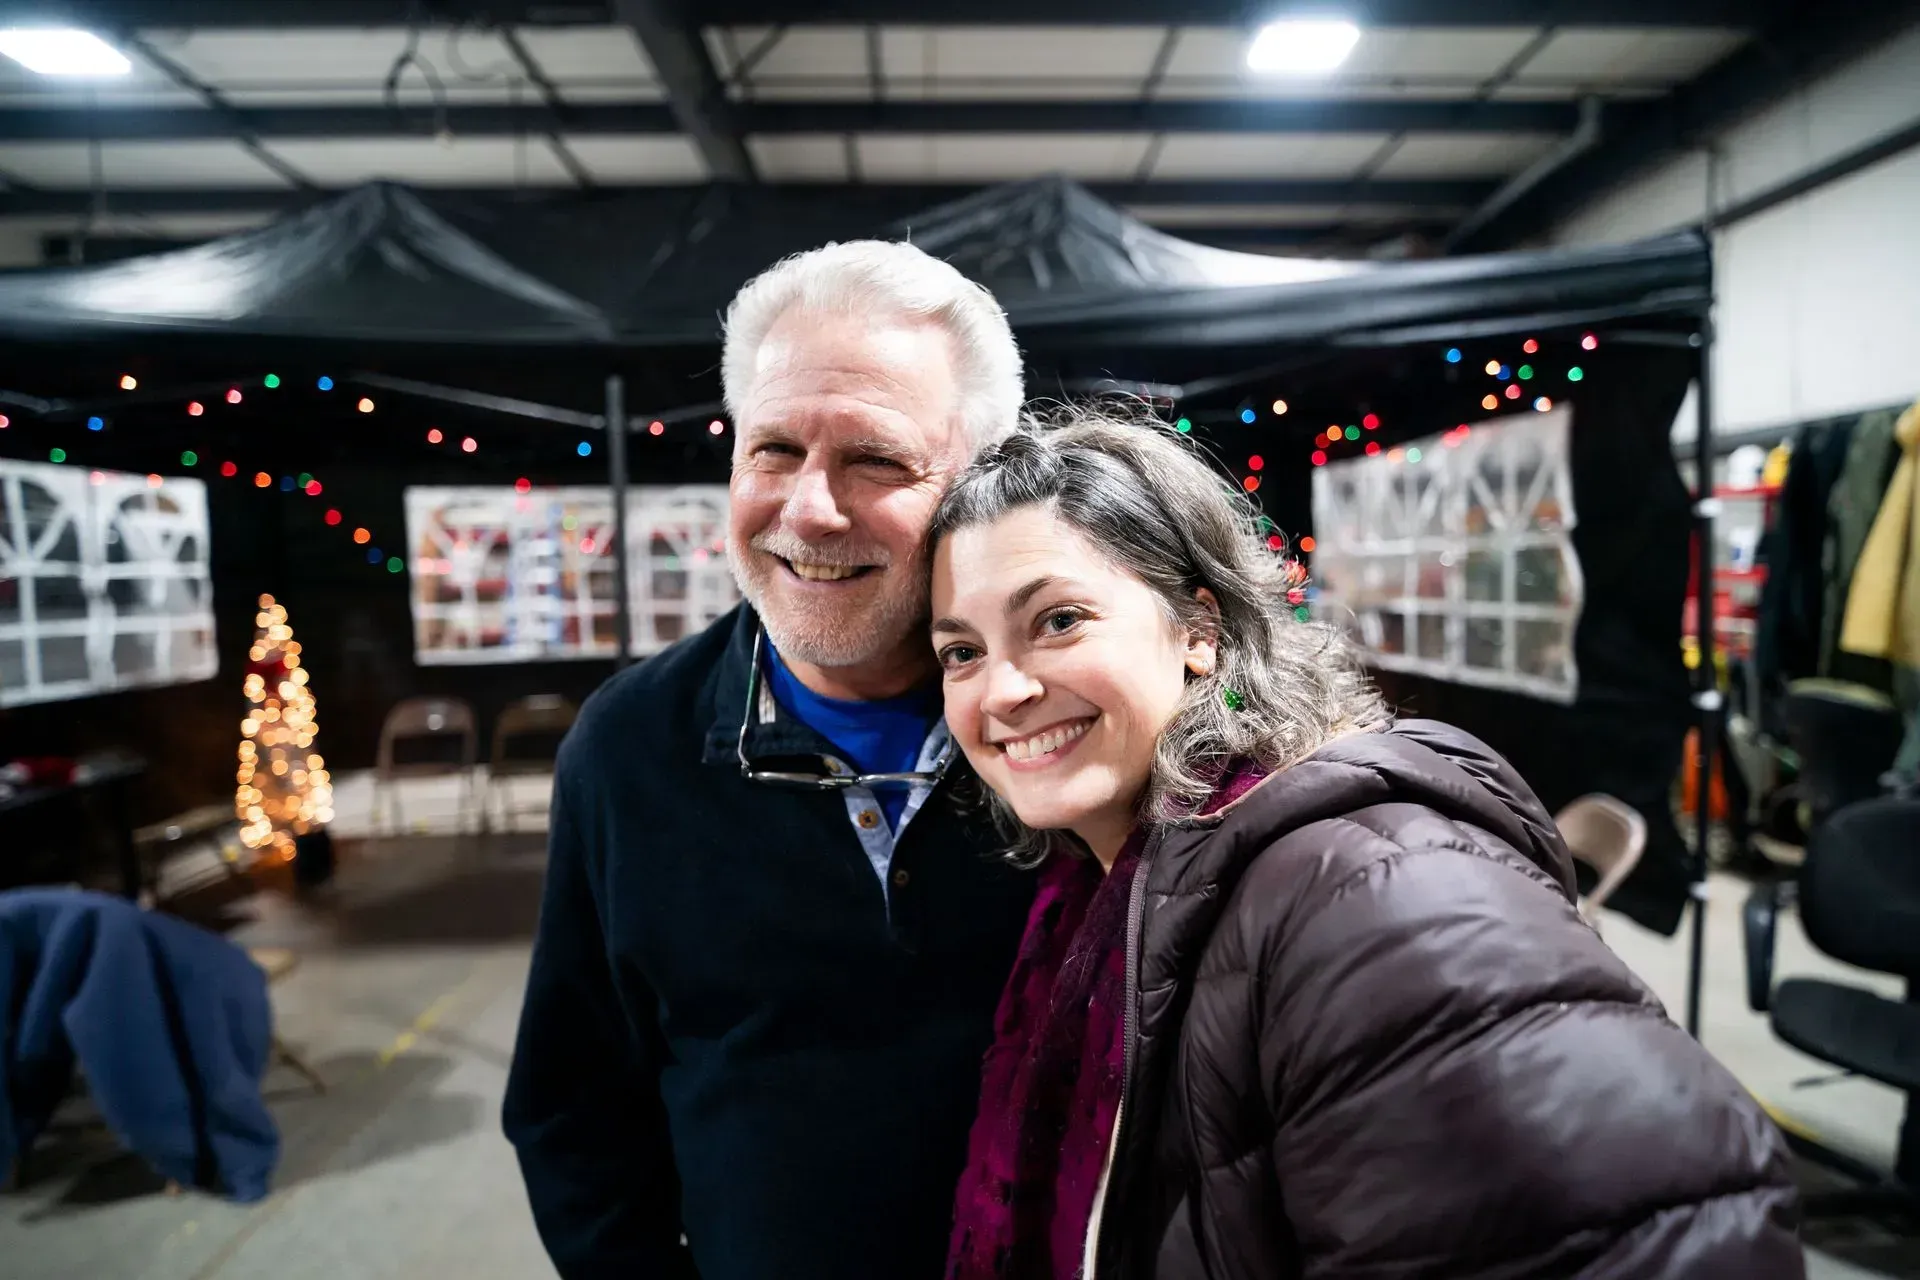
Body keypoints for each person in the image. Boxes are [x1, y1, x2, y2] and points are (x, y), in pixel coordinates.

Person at [928, 411, 1804, 1279]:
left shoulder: (1376, 897)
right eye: (961, 651)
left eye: (1058, 620)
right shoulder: (1104, 890)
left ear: (1198, 628)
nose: (1001, 691)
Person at [502, 241, 1036, 1280]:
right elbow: (574, 1110)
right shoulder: (629, 748)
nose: (809, 508)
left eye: (875, 458)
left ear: (982, 484)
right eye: (775, 448)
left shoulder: (1064, 728)